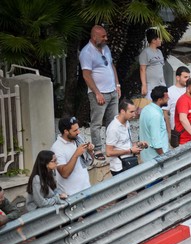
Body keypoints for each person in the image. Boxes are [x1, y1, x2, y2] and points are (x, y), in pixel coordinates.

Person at [79, 25, 120, 161]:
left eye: (106, 36)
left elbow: (111, 66)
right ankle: (97, 149)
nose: (106, 39)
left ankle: (111, 146)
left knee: (113, 121)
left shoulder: (105, 48)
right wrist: (97, 93)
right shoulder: (86, 52)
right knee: (96, 123)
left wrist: (117, 85)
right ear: (94, 37)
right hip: (99, 93)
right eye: (103, 37)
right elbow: (86, 75)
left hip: (112, 91)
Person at [51, 117, 95, 196]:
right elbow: (64, 173)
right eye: (75, 130)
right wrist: (76, 154)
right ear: (66, 131)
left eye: (78, 129)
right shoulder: (57, 148)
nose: (78, 132)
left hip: (87, 189)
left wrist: (90, 152)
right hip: (71, 195)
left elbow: (89, 163)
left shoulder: (78, 140)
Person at [105, 99, 146, 176]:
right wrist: (130, 151)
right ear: (122, 111)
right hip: (119, 168)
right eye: (131, 112)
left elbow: (125, 143)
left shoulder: (127, 122)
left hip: (130, 163)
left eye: (134, 111)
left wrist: (139, 144)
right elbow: (108, 152)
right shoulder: (113, 128)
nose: (134, 115)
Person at [139, 86, 170, 163]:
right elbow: (156, 142)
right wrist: (164, 158)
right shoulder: (155, 115)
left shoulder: (146, 109)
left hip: (146, 156)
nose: (168, 99)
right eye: (166, 98)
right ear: (159, 100)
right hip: (155, 159)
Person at [139, 28, 166, 99]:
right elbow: (142, 69)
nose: (161, 40)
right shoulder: (145, 52)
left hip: (161, 85)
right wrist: (144, 85)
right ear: (154, 40)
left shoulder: (159, 52)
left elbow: (161, 68)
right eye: (159, 38)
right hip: (151, 86)